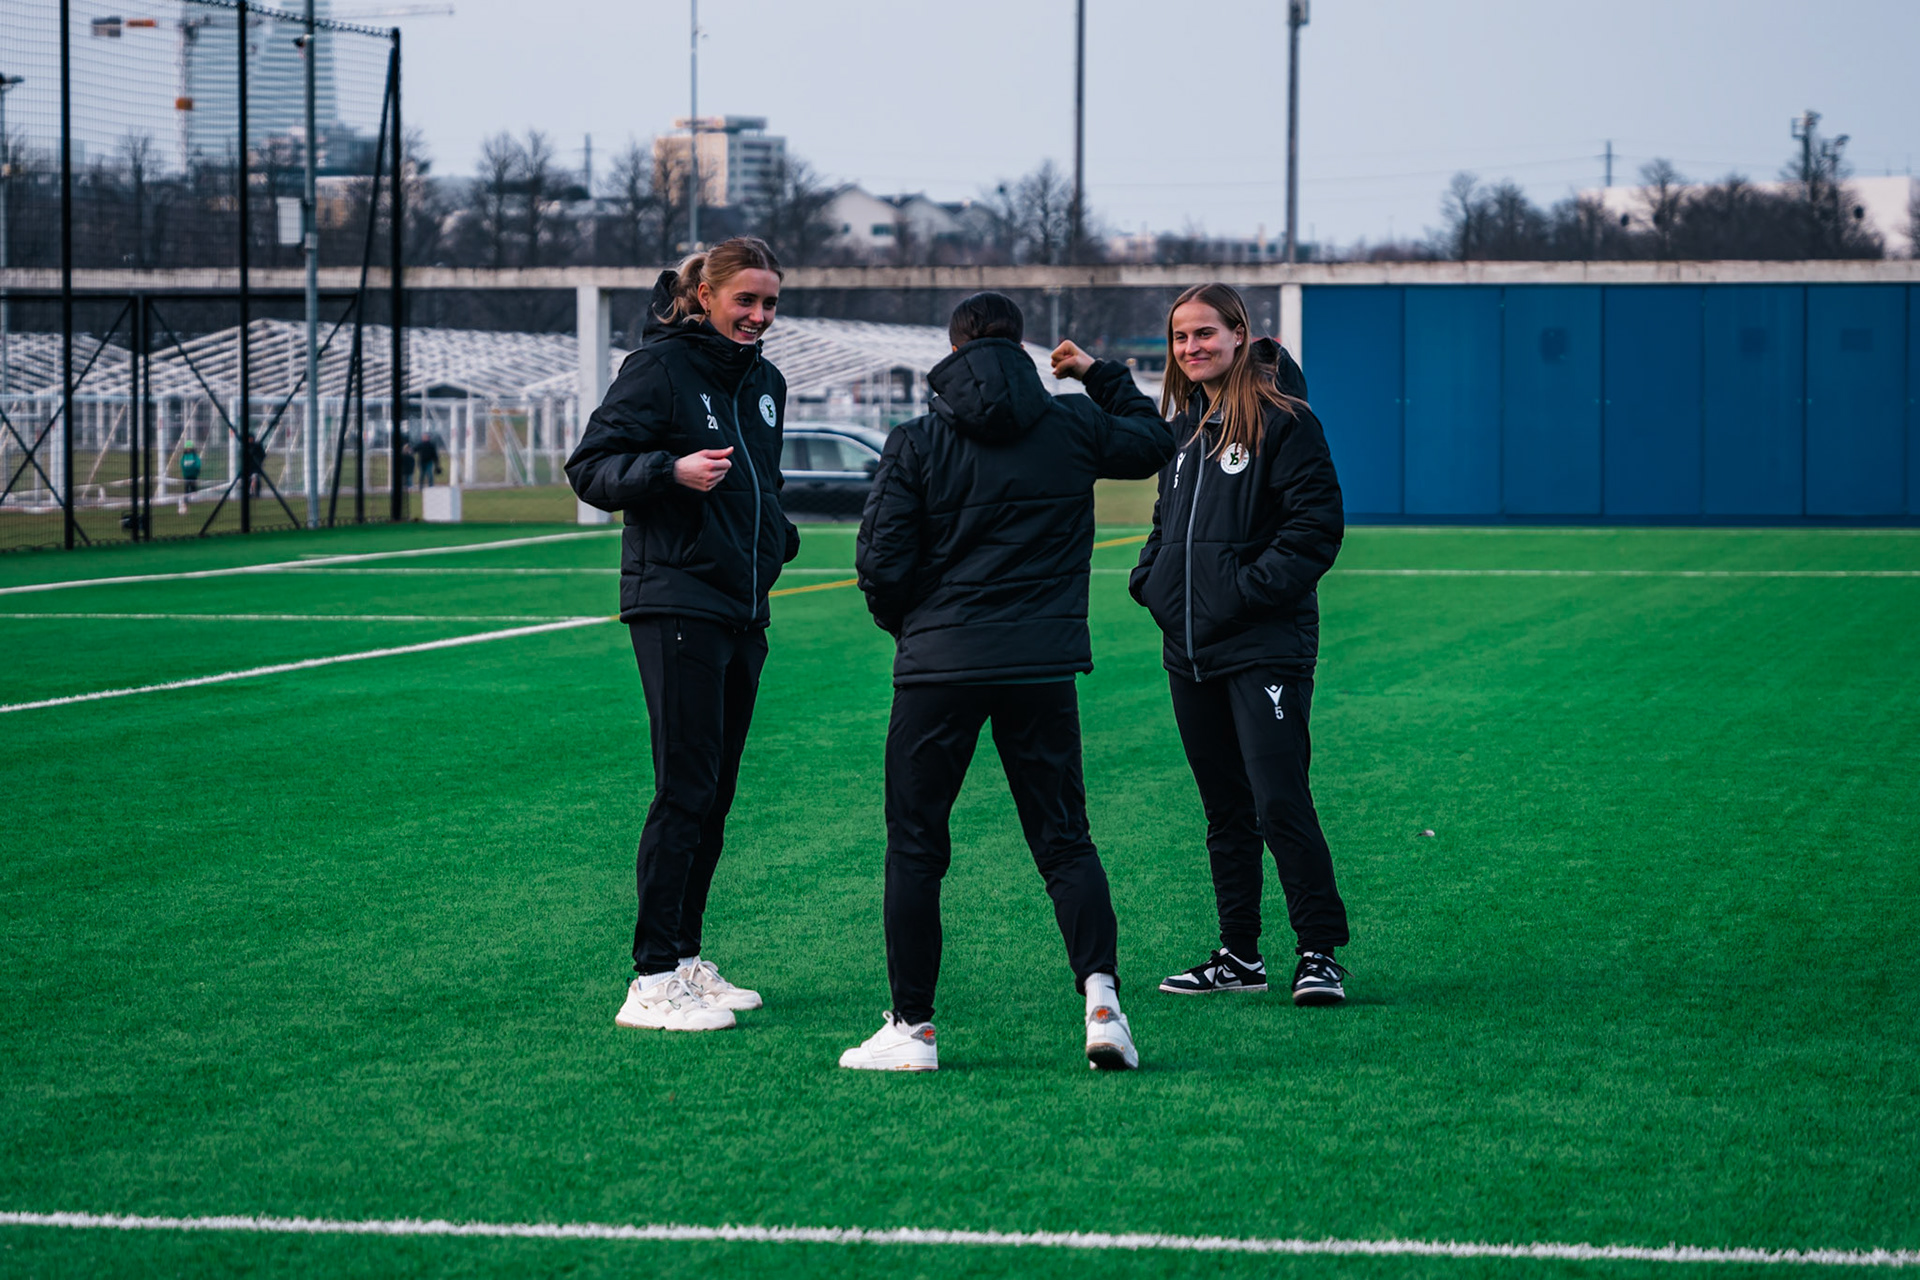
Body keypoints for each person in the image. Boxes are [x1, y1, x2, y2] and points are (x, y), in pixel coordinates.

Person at [841, 291, 1175, 1072]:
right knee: (1064, 840)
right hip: (1039, 664)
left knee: (916, 847)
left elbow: (880, 565)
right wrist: (1098, 374)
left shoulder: (916, 439)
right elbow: (1155, 440)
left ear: (954, 348)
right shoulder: (1072, 423)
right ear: (1022, 347)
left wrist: (912, 630)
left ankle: (913, 1029)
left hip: (940, 667)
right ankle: (1102, 1004)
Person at [1079, 282, 1350, 1007]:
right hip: (1190, 652)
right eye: (1180, 337)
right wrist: (1152, 582)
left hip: (1263, 646)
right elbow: (1165, 525)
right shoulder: (1184, 431)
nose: (1191, 347)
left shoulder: (1286, 422)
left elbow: (1314, 532)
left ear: (1238, 335)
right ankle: (1239, 954)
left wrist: (1239, 594)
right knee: (1224, 811)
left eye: (1204, 333)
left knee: (1279, 800)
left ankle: (1319, 953)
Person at [566, 236, 800, 1033]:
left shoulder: (766, 382)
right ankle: (652, 978)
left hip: (743, 608)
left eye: (770, 303)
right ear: (706, 296)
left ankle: (689, 958)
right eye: (746, 300)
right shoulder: (658, 369)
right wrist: (669, 471)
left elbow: (763, 485)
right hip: (675, 602)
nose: (759, 316)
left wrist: (776, 539)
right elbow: (590, 468)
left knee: (716, 794)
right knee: (684, 790)